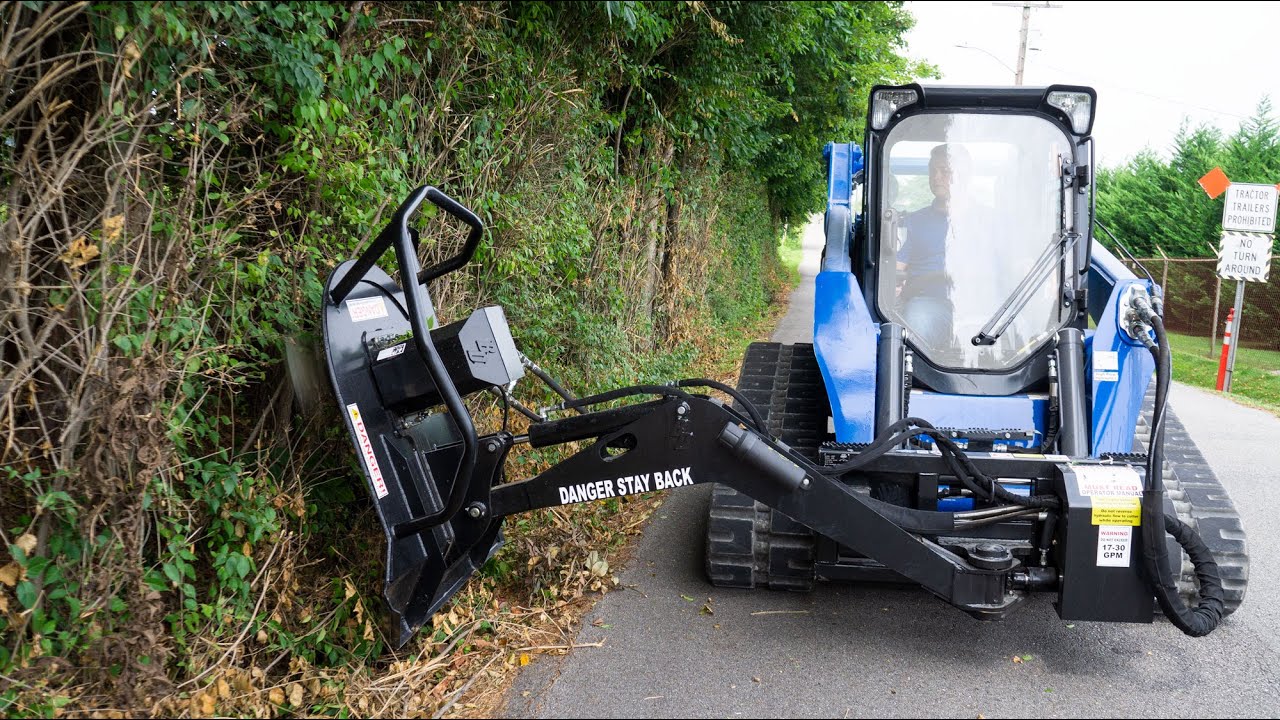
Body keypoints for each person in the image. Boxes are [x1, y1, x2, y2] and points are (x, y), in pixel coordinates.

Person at [894, 143, 974, 354]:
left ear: (963, 176)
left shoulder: (986, 220)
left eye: (945, 171)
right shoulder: (915, 221)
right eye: (933, 171)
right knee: (916, 321)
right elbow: (896, 268)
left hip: (980, 303)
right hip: (927, 301)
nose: (936, 177)